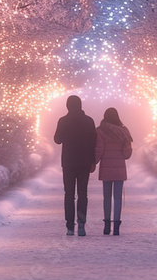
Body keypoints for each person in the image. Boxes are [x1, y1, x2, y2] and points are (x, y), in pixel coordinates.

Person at [54, 95, 96, 236]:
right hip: (84, 162)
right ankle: (82, 224)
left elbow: (57, 140)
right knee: (83, 194)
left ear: (67, 106)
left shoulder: (63, 121)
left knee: (69, 194)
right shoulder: (89, 121)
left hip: (68, 162)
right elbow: (93, 142)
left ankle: (70, 226)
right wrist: (93, 161)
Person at [94, 107, 132, 236]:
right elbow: (127, 154)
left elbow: (99, 149)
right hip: (119, 168)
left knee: (107, 198)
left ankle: (106, 226)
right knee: (117, 198)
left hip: (106, 167)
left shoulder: (100, 131)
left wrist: (93, 162)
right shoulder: (124, 132)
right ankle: (116, 226)